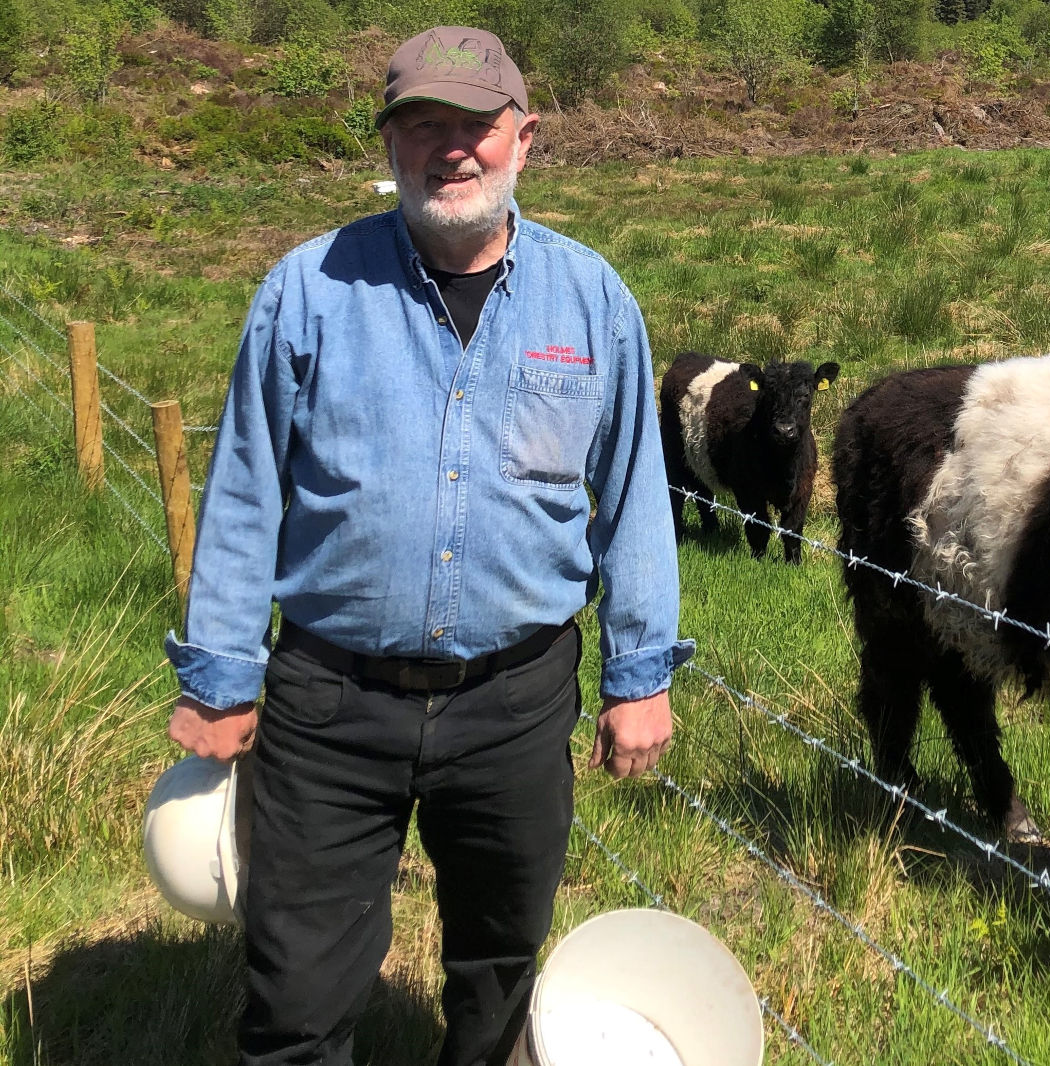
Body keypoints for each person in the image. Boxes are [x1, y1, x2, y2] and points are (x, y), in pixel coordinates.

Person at [163, 25, 692, 1066]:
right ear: (392, 143)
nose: (451, 150)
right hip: (329, 703)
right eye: (422, 127)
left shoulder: (592, 302)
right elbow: (243, 489)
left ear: (524, 138)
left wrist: (642, 672)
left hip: (515, 701)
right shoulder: (308, 290)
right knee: (297, 991)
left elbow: (633, 494)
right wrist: (222, 673)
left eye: (475, 126)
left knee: (500, 971)